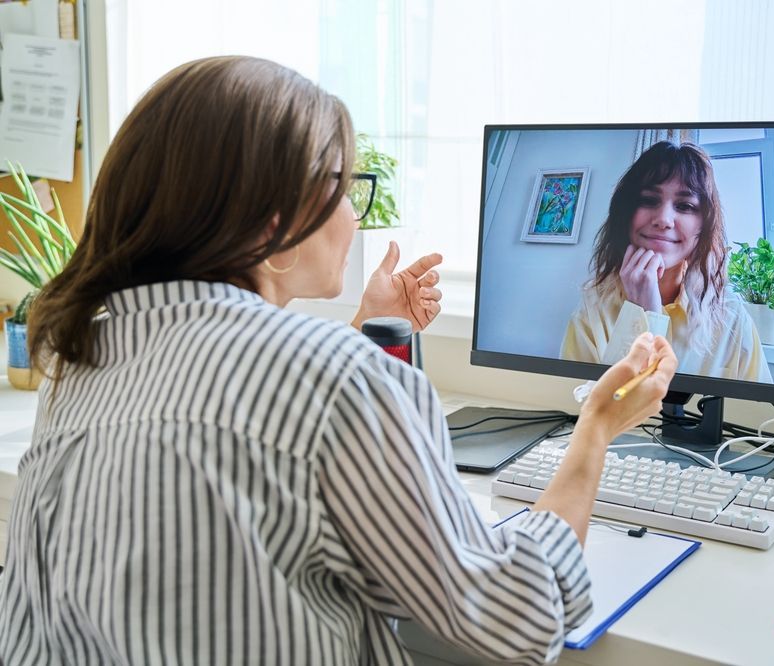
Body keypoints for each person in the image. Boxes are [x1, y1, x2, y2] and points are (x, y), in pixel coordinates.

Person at [0, 56, 677, 665]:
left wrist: (361, 338)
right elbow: (519, 620)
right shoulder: (335, 380)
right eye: (346, 186)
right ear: (274, 223)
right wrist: (595, 430)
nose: (355, 215)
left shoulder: (79, 353)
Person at [561, 141, 772, 383]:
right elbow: (589, 414)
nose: (663, 220)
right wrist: (643, 315)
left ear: (704, 226)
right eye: (649, 200)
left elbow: (762, 415)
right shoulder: (592, 311)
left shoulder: (732, 317)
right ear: (626, 213)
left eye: (685, 205)